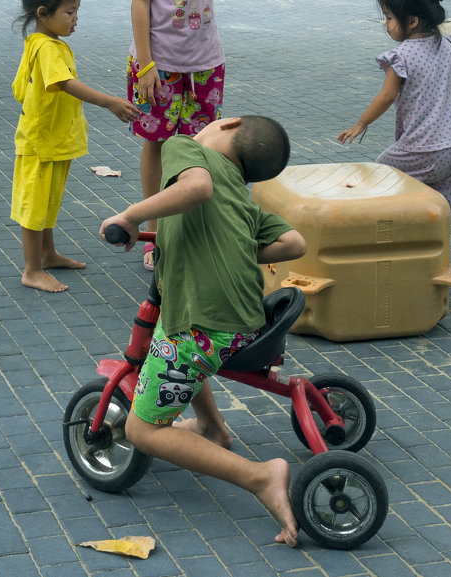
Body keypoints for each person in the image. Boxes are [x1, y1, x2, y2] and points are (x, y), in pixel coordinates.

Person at [99, 115, 307, 546]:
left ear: (227, 124)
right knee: (175, 354)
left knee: (142, 430)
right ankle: (212, 428)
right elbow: (294, 244)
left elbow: (195, 188)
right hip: (244, 325)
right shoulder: (239, 195)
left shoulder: (188, 148)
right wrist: (234, 248)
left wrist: (130, 216)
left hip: (201, 329)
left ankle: (259, 477)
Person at [127, 0, 250, 270]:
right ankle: (155, 230)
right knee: (157, 143)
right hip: (156, 60)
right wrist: (145, 64)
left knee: (199, 147)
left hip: (205, 60)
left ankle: (190, 225)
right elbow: (140, 2)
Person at [11, 0, 140, 293]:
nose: (75, 19)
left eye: (76, 11)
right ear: (43, 13)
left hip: (51, 141)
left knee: (47, 202)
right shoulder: (47, 49)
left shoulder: (41, 42)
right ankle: (32, 269)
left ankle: (48, 254)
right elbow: (66, 84)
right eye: (69, 12)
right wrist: (110, 102)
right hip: (41, 143)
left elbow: (22, 88)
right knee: (34, 207)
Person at [338, 0, 451, 213]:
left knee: (381, 171)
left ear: (412, 21)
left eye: (389, 17)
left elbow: (386, 96)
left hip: (420, 149)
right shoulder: (447, 46)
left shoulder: (402, 56)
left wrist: (360, 124)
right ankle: (433, 240)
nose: (385, 24)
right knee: (436, 207)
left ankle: (385, 228)